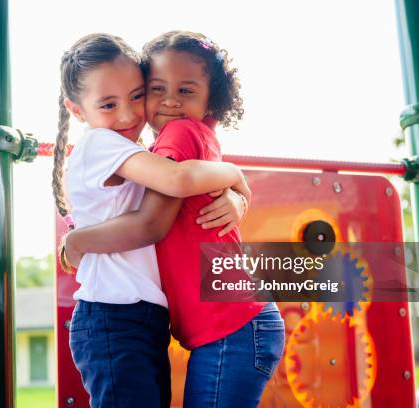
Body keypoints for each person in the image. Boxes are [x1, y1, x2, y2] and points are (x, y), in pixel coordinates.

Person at [65, 31, 285, 408]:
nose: (129, 113)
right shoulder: (127, 147)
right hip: (145, 317)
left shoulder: (175, 137)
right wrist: (236, 180)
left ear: (210, 99)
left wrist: (235, 182)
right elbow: (162, 197)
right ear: (77, 110)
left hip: (219, 322)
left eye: (136, 96)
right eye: (155, 89)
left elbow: (158, 210)